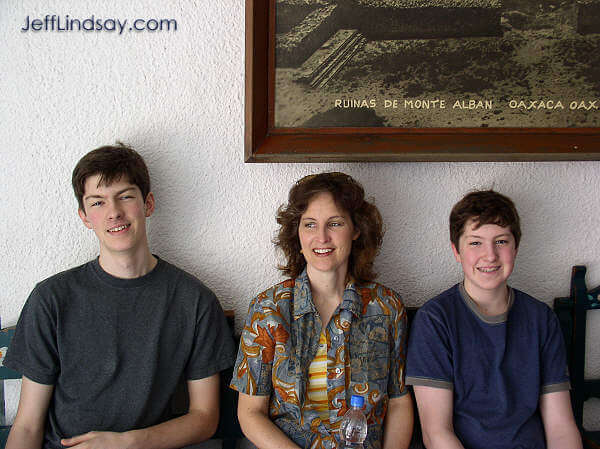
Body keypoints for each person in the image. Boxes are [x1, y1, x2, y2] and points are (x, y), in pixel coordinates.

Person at [4, 143, 236, 449]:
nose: (114, 212)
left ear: (148, 204)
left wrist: (128, 443)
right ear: (85, 216)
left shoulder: (194, 300)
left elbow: (205, 418)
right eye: (98, 202)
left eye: (125, 196)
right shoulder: (51, 299)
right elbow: (27, 427)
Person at [230, 172, 414, 449]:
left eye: (335, 223)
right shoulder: (269, 309)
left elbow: (399, 402)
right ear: (297, 233)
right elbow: (250, 412)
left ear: (356, 229)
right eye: (310, 225)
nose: (322, 237)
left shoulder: (386, 307)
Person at [406, 189, 582, 449]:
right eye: (475, 242)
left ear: (516, 247)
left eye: (501, 241)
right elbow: (437, 434)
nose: (490, 255)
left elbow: (561, 428)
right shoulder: (436, 320)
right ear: (456, 251)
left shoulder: (540, 318)